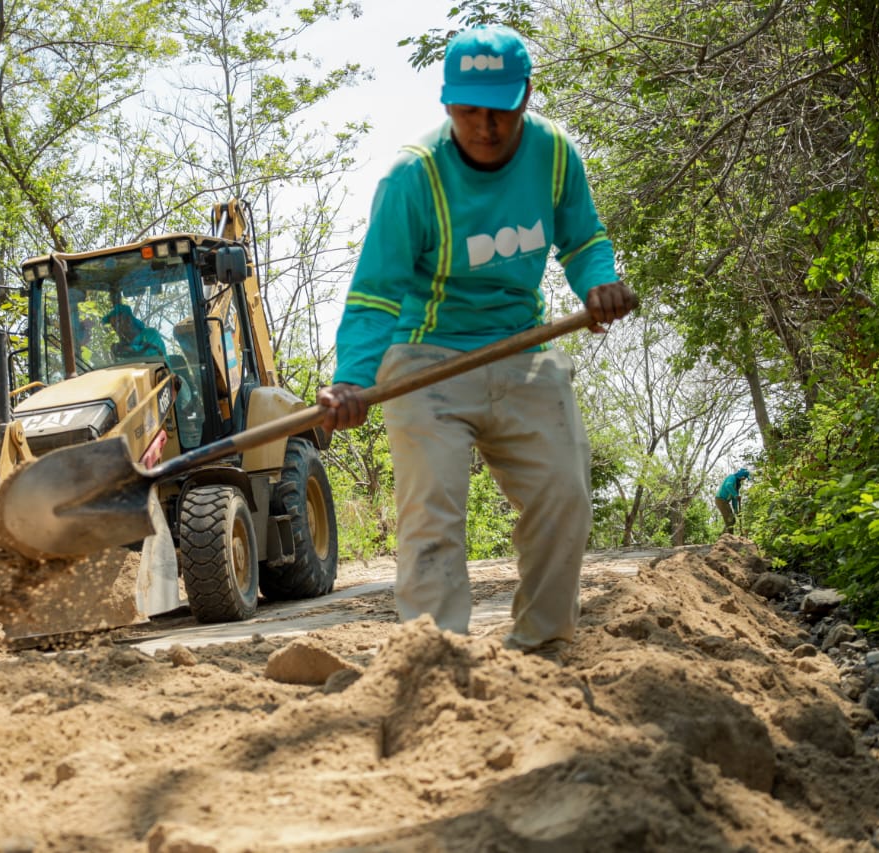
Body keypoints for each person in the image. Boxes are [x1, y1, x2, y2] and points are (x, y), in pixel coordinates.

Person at [318, 25, 637, 658]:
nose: (485, 127)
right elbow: (375, 292)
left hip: (522, 350)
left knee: (565, 495)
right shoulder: (414, 178)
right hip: (424, 362)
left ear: (526, 97)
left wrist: (600, 282)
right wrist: (354, 379)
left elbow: (584, 241)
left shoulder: (553, 154)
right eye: (469, 111)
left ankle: (540, 645)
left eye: (500, 110)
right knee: (432, 517)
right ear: (446, 102)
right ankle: (435, 659)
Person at [715, 468, 751, 535]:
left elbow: (734, 500)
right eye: (745, 477)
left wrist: (736, 511)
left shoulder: (738, 485)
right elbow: (728, 486)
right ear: (742, 476)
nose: (744, 479)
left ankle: (724, 537)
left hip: (725, 502)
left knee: (732, 520)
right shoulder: (732, 477)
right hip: (720, 500)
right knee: (730, 519)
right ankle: (729, 538)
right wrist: (735, 495)